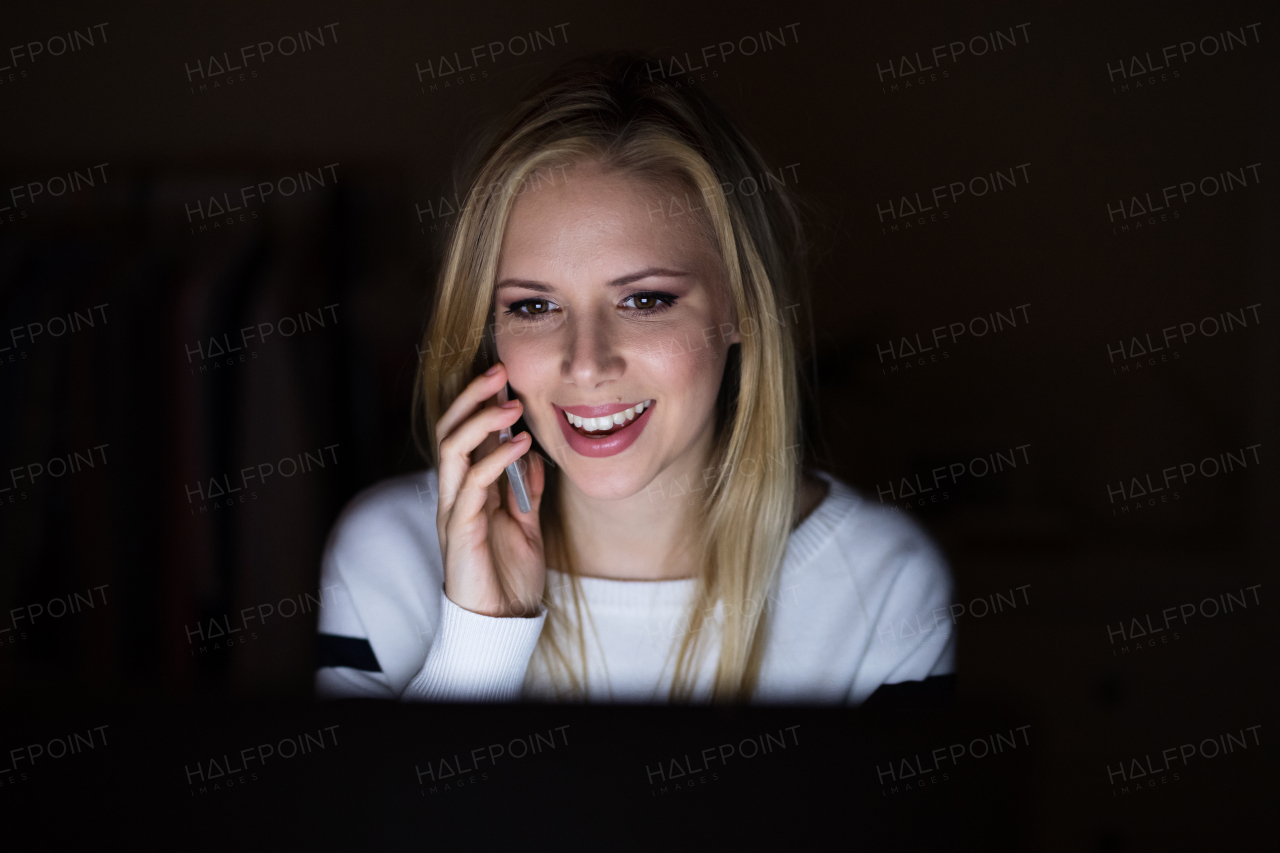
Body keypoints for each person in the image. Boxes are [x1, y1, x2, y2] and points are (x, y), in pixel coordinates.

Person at [315, 53, 955, 703]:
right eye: (533, 306)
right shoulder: (387, 555)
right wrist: (480, 639)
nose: (587, 362)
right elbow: (380, 810)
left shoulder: (885, 583)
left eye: (645, 299)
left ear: (741, 306)